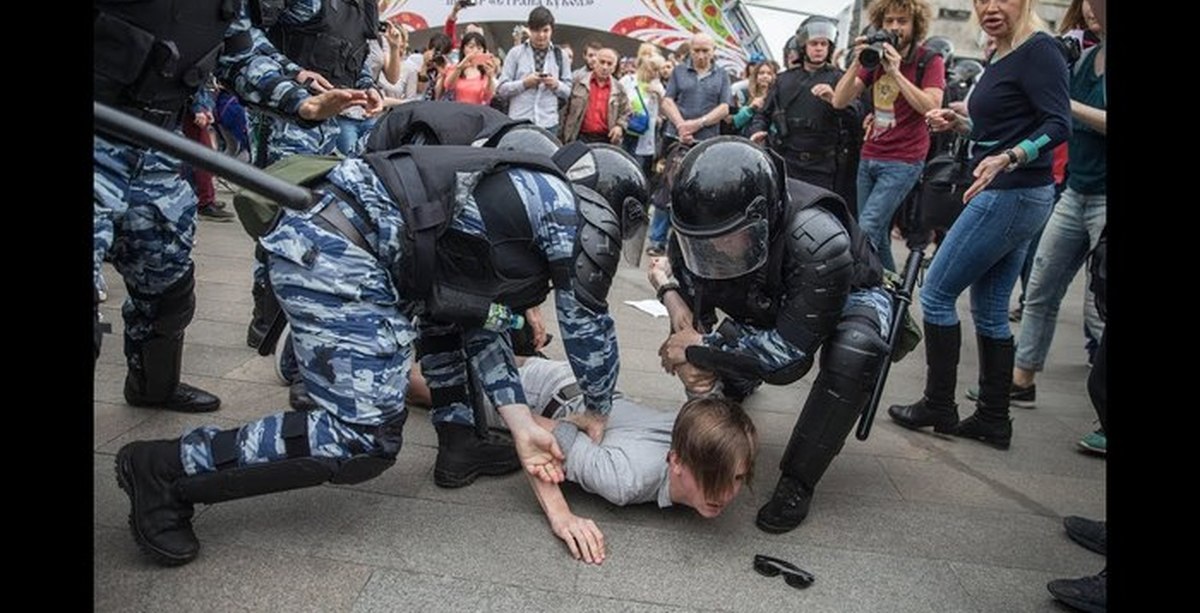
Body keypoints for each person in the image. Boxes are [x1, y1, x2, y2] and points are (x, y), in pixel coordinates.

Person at [113, 130, 649, 567]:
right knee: (360, 437)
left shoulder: (515, 200)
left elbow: (477, 323)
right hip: (339, 252)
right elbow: (587, 325)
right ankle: (162, 471)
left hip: (338, 245)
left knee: (366, 429)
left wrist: (521, 423)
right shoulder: (566, 210)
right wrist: (599, 408)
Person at [94, 0, 374, 416]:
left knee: (167, 285)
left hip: (158, 145)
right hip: (100, 131)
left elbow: (241, 52)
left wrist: (303, 102)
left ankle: (152, 387)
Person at [648, 137, 893, 534]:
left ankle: (798, 480)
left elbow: (790, 359)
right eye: (702, 243)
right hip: (764, 293)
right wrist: (690, 347)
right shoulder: (698, 226)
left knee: (855, 353)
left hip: (847, 294)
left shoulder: (818, 238)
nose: (715, 250)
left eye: (725, 239)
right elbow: (694, 314)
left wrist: (698, 350)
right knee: (717, 351)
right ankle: (739, 378)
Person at [887, 0, 1071, 450]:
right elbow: (1003, 130)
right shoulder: (1001, 51)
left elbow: (1058, 124)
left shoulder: (1039, 50)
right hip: (1013, 191)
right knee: (989, 308)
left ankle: (939, 405)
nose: (989, 7)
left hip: (1012, 192)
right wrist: (961, 124)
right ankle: (992, 417)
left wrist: (1011, 157)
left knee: (935, 294)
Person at [407, 356, 758, 563]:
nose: (727, 493)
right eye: (714, 477)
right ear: (676, 460)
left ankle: (469, 349)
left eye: (738, 478)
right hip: (542, 394)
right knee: (417, 386)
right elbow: (532, 433)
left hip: (577, 385)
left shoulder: (701, 430)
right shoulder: (624, 478)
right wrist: (562, 517)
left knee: (480, 355)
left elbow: (714, 401)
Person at [967, 0, 1106, 427]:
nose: (1091, 10)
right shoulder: (1080, 57)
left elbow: (1058, 116)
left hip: (1103, 195)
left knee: (1099, 307)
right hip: (1075, 189)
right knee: (1041, 289)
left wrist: (1063, 104)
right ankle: (1022, 380)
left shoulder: (1054, 56)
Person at [830, 0, 945, 272]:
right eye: (889, 21)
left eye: (902, 21)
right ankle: (892, 295)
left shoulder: (929, 60)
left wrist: (895, 71)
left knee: (867, 228)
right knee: (877, 236)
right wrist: (856, 63)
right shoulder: (874, 58)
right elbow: (839, 100)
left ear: (916, 25)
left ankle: (853, 289)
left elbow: (931, 106)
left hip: (904, 160)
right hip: (870, 155)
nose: (895, 27)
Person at [751, 17, 860, 197]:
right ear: (803, 46)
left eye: (823, 44)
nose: (819, 48)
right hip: (787, 161)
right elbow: (763, 115)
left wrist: (835, 100)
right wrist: (757, 131)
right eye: (814, 43)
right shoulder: (784, 80)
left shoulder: (839, 78)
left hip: (823, 165)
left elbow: (856, 117)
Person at [495, 6, 572, 133]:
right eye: (536, 31)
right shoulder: (515, 53)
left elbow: (568, 91)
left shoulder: (560, 55)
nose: (541, 35)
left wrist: (555, 84)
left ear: (552, 30)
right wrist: (525, 83)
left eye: (545, 30)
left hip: (548, 123)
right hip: (519, 121)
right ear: (529, 30)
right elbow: (501, 90)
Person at [561, 48, 631, 145]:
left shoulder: (619, 89)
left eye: (609, 64)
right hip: (578, 136)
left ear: (614, 68)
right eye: (602, 62)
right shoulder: (577, 81)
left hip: (605, 140)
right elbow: (564, 108)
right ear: (595, 63)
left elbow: (626, 112)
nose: (605, 67)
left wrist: (619, 126)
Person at [438, 32, 500, 105]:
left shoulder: (486, 70)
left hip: (476, 111)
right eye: (471, 47)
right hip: (457, 111)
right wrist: (460, 68)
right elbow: (448, 85)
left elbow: (487, 97)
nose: (475, 51)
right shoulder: (455, 67)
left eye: (479, 48)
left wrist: (490, 77)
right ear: (463, 49)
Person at [731, 60, 777, 138]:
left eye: (769, 73)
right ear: (755, 76)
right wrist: (750, 108)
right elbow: (736, 122)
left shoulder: (777, 96)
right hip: (746, 139)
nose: (765, 76)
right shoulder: (744, 94)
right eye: (761, 73)